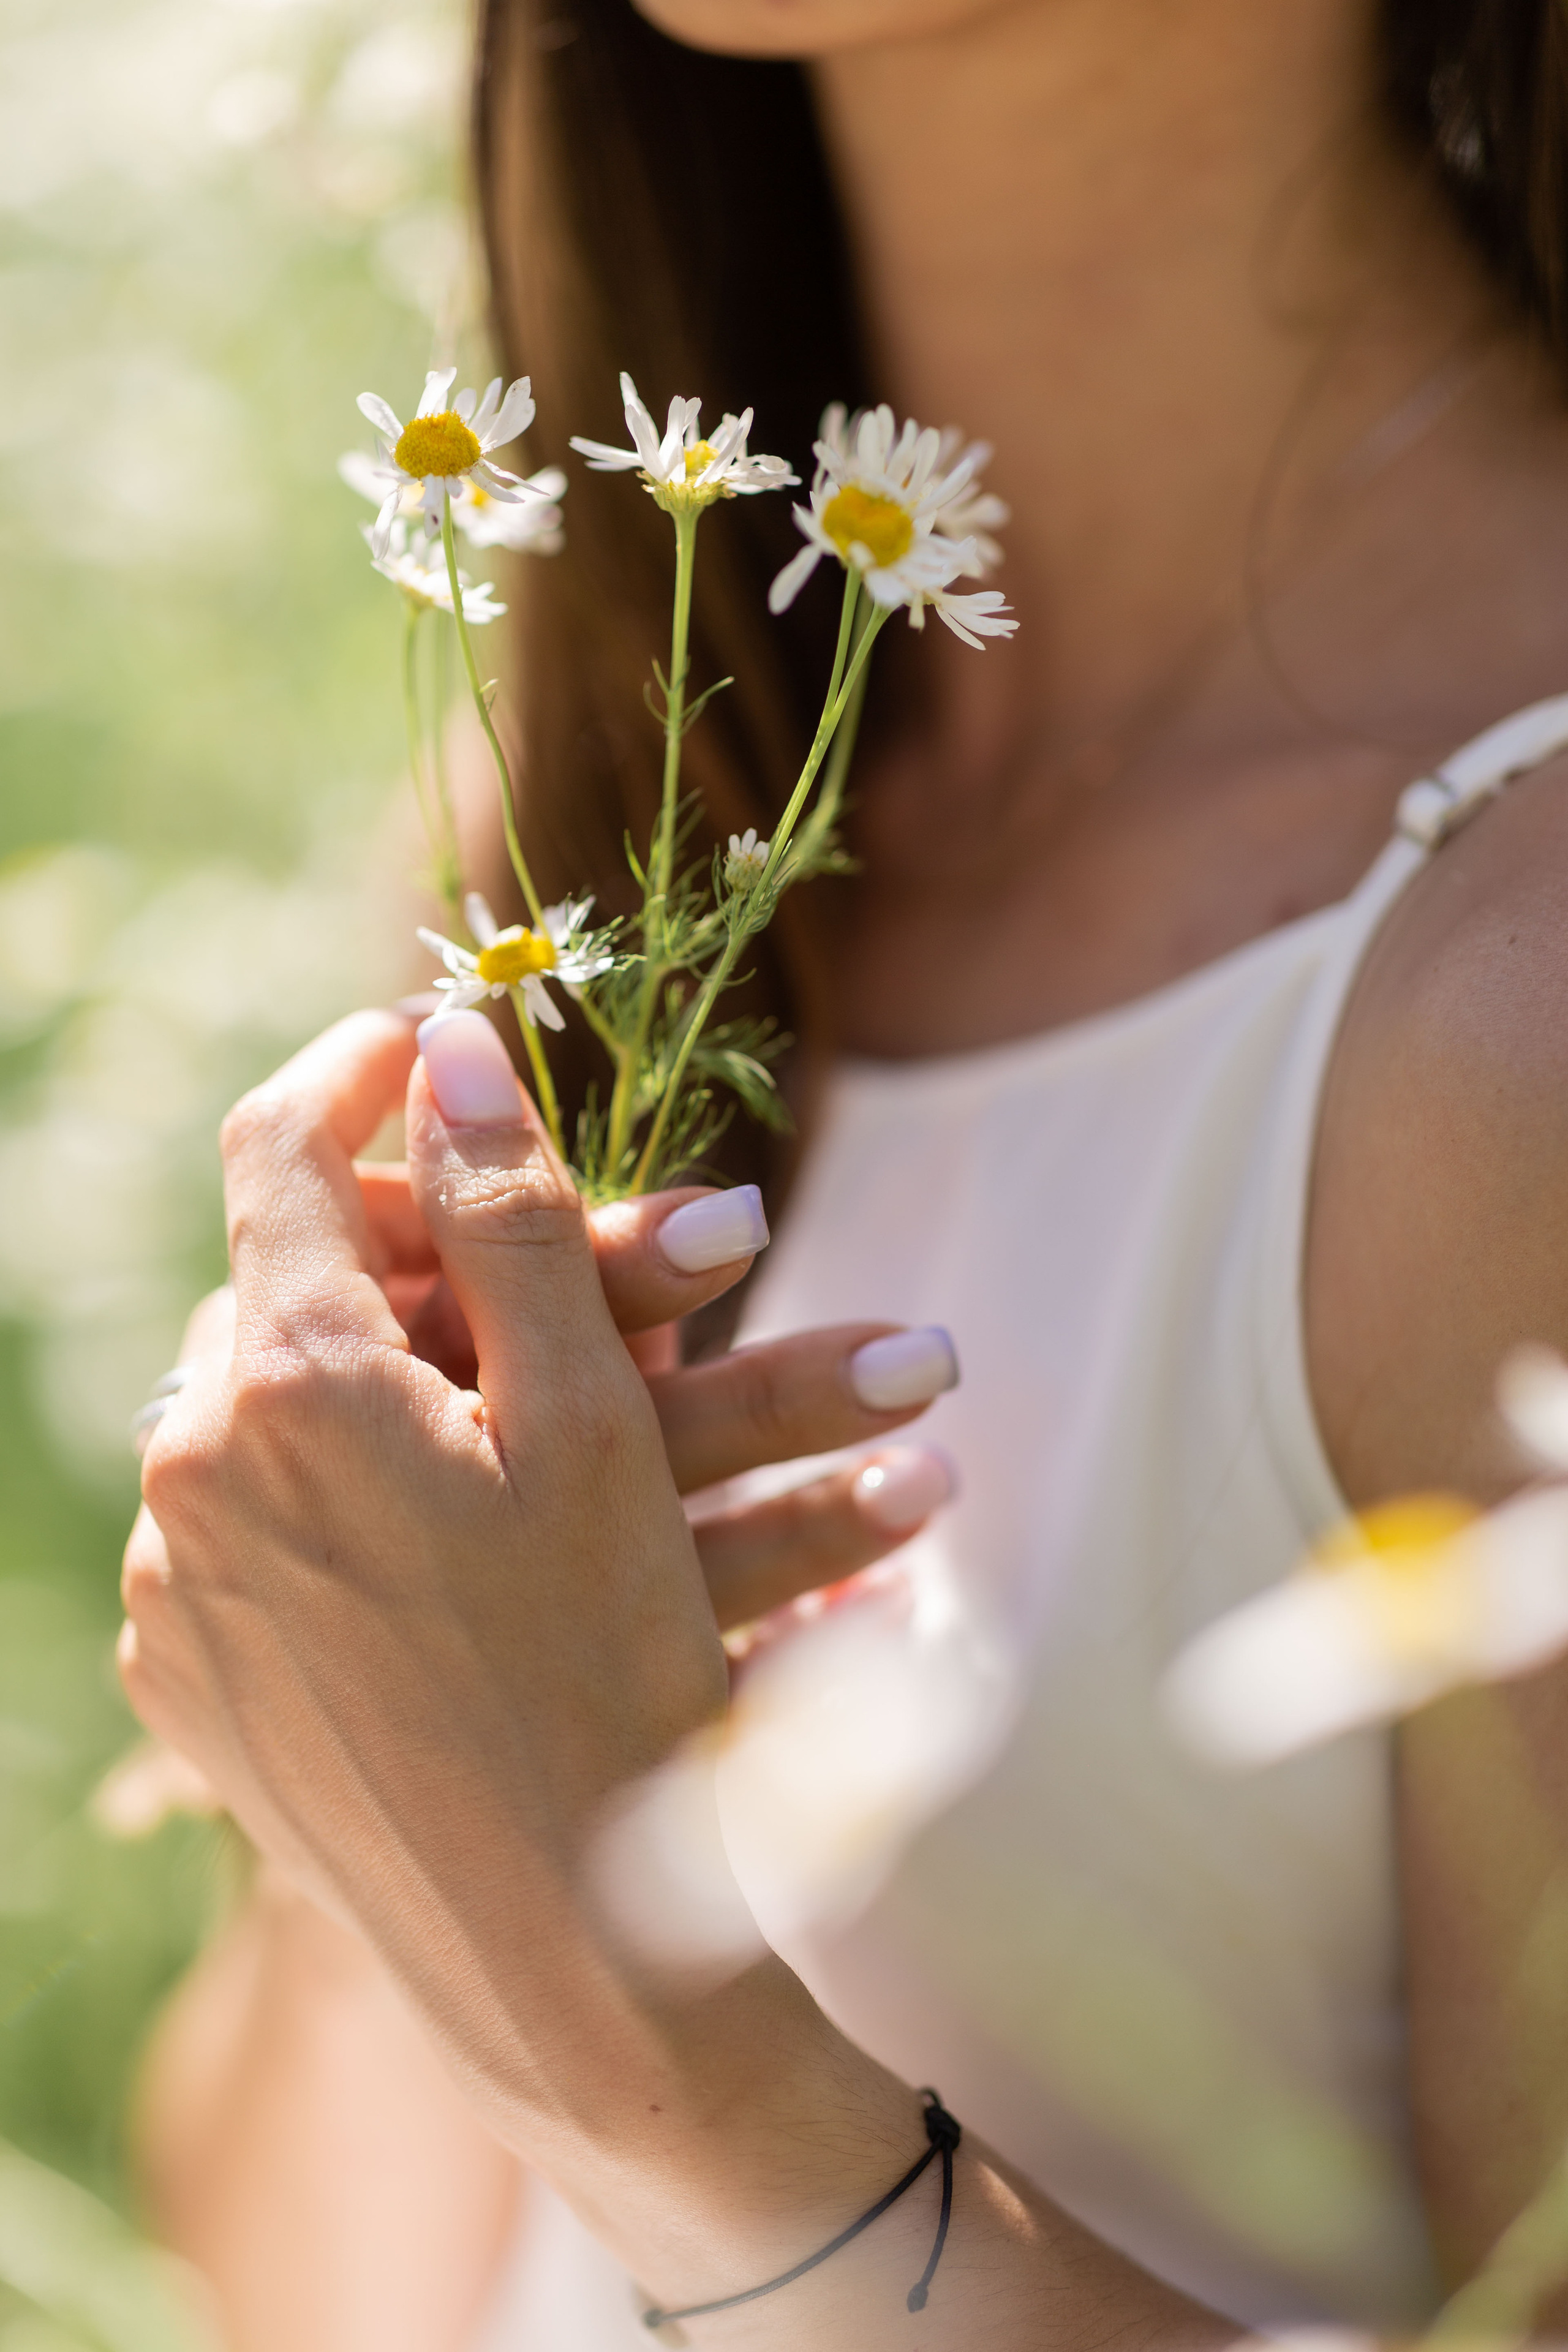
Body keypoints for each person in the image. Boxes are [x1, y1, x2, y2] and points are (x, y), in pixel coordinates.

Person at [121, 0, 1568, 2345]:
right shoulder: (599, 832)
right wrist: (385, 1737)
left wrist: (666, 2060)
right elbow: (321, 2286)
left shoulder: (1519, 1008)